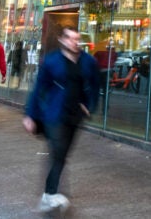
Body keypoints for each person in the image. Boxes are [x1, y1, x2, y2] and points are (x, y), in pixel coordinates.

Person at [23, 26, 100, 214]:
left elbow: (96, 84)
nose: (75, 43)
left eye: (77, 39)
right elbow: (38, 88)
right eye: (71, 39)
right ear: (62, 40)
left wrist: (89, 106)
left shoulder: (88, 61)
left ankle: (51, 194)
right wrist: (30, 115)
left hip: (75, 115)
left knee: (62, 155)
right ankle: (49, 194)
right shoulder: (51, 61)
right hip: (54, 114)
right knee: (58, 153)